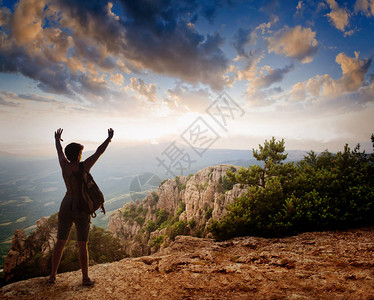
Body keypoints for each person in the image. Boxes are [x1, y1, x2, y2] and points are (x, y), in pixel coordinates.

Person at [48, 128, 114, 286]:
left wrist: (57, 140)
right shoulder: (83, 166)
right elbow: (99, 152)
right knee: (82, 244)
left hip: (66, 204)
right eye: (80, 152)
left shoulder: (64, 166)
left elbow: (59, 152)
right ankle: (85, 278)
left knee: (60, 242)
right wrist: (109, 138)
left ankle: (52, 276)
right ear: (78, 155)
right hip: (81, 207)